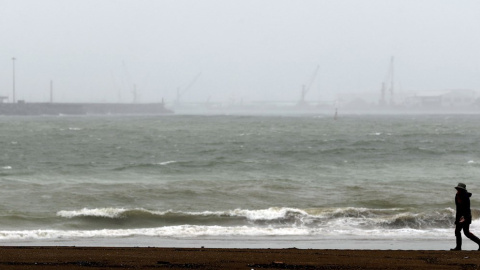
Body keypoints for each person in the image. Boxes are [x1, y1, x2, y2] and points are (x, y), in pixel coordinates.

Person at [451, 183, 480, 251]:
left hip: (465, 216)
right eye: (457, 189)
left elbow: (465, 208)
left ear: (462, 190)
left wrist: (463, 217)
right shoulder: (457, 195)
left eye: (459, 189)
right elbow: (458, 209)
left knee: (460, 231)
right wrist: (457, 218)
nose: (458, 190)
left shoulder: (464, 196)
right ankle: (458, 247)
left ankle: (458, 247)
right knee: (464, 232)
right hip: (462, 216)